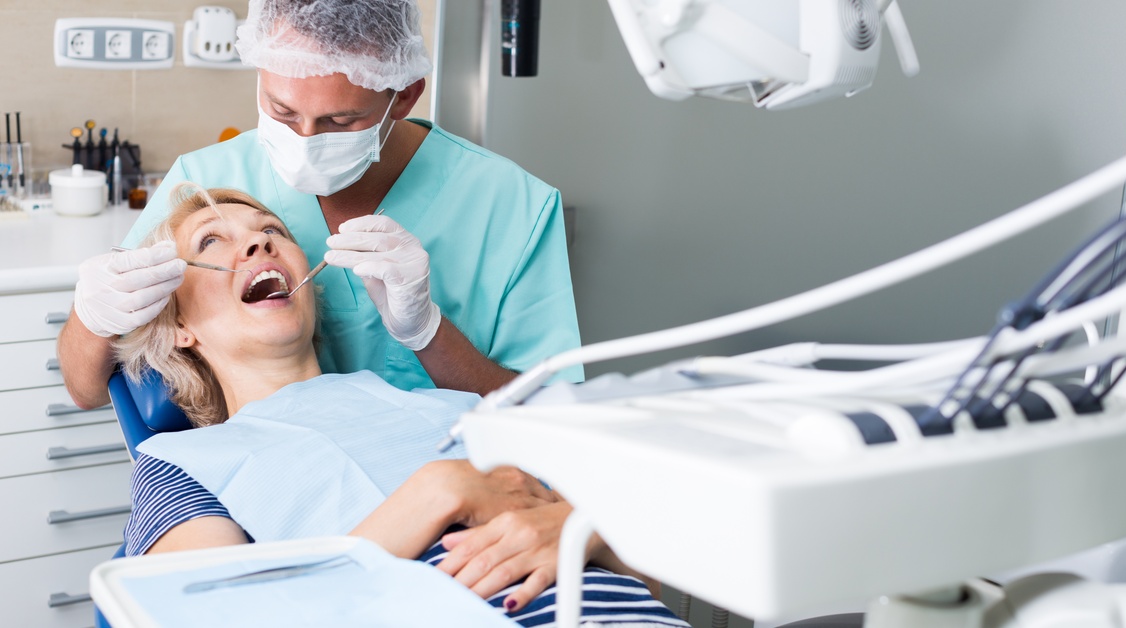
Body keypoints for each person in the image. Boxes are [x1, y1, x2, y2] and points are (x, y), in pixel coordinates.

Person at [116, 185, 684, 627]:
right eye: (210, 242)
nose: (259, 243)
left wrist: (580, 527)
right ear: (178, 326)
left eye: (272, 230)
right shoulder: (181, 462)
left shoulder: (450, 406)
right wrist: (437, 493)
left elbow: (649, 581)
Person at [59, 0, 584, 410]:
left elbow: (551, 420)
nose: (305, 139)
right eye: (281, 110)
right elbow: (86, 389)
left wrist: (428, 332)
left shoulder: (513, 206)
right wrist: (93, 316)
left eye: (340, 122)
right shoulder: (206, 182)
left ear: (403, 96)